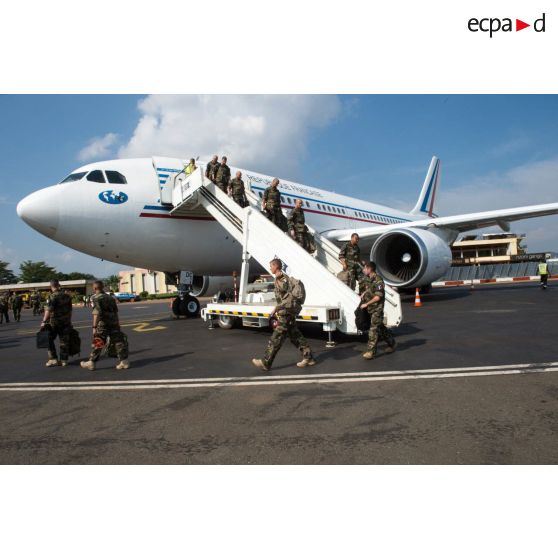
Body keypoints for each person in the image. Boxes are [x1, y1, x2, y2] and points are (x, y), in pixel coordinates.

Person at [252, 258, 316, 372]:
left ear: (276, 266)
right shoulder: (279, 279)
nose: (270, 268)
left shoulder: (283, 280)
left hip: (286, 314)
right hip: (286, 313)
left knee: (275, 339)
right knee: (296, 337)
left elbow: (290, 298)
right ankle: (309, 357)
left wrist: (277, 308)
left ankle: (266, 363)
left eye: (271, 266)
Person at [81, 280, 130, 371]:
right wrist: (117, 323)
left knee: (98, 342)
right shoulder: (110, 297)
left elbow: (96, 313)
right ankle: (124, 361)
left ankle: (92, 362)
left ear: (95, 288)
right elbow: (115, 312)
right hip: (113, 323)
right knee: (118, 341)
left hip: (103, 324)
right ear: (102, 287)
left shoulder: (96, 298)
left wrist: (94, 327)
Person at [360, 262, 396, 360]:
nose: (364, 270)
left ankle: (371, 352)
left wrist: (366, 304)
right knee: (381, 328)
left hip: (377, 309)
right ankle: (392, 343)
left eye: (365, 268)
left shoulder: (378, 280)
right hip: (371, 309)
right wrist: (364, 293)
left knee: (373, 330)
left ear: (369, 269)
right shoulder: (370, 279)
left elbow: (377, 297)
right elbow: (371, 289)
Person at [41, 279, 73, 367]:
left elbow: (48, 310)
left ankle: (53, 359)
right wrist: (69, 320)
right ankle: (64, 360)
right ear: (59, 285)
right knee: (64, 341)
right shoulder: (67, 296)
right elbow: (70, 310)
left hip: (54, 322)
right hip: (65, 321)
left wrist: (44, 321)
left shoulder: (52, 296)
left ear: (51, 286)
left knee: (48, 339)